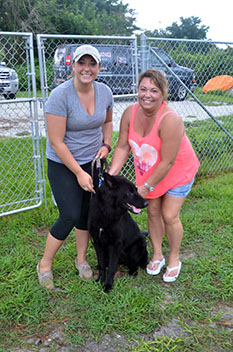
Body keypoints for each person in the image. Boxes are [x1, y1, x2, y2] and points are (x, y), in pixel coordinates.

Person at [109, 69, 200, 283]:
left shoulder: (171, 119)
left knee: (169, 215)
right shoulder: (129, 113)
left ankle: (174, 257)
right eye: (143, 89)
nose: (147, 95)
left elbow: (168, 162)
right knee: (153, 213)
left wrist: (144, 188)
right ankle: (157, 254)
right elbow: (123, 147)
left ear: (163, 94)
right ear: (137, 90)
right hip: (149, 170)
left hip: (177, 171)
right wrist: (111, 177)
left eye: (154, 90)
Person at [37, 44, 114, 289]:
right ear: (73, 66)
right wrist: (79, 173)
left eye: (92, 64)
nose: (87, 69)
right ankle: (45, 264)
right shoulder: (60, 95)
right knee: (69, 214)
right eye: (82, 63)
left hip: (92, 160)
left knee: (86, 213)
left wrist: (106, 145)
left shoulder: (104, 91)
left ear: (99, 68)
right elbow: (56, 141)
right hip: (63, 163)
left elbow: (109, 120)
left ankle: (81, 260)